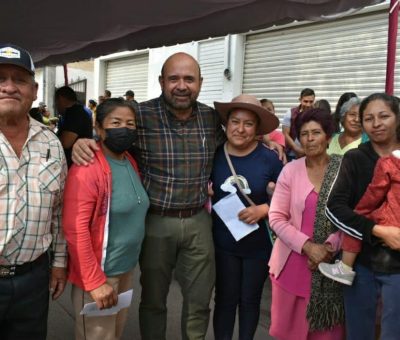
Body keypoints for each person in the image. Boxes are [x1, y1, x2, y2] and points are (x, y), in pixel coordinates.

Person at [71, 52, 284, 340]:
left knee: (199, 300)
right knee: (154, 301)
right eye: (173, 78)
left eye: (189, 79)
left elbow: (238, 139)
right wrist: (86, 141)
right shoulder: (141, 116)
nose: (181, 85)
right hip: (156, 222)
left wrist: (264, 138)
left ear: (200, 83)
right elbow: (112, 135)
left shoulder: (210, 118)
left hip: (198, 221)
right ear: (161, 81)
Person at [63, 98, 149, 340]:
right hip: (100, 274)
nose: (125, 129)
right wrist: (94, 281)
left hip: (124, 270)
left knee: (114, 334)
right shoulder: (87, 166)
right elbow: (75, 228)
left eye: (131, 124)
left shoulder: (129, 161)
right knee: (97, 336)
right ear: (99, 128)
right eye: (116, 122)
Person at [0, 43, 67, 339]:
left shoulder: (52, 144)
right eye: (0, 78)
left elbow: (60, 211)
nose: (9, 87)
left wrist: (59, 264)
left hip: (33, 280)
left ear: (35, 90)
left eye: (19, 79)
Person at [325, 93, 400, 340]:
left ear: (397, 118)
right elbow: (334, 207)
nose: (376, 123)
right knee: (359, 333)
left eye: (384, 116)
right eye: (368, 118)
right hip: (361, 266)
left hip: (398, 269)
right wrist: (378, 231)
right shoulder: (355, 158)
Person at [268, 108, 345, 340]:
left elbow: (353, 218)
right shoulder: (290, 171)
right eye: (304, 133)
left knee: (326, 334)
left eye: (316, 132)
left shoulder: (344, 169)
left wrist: (328, 248)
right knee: (288, 332)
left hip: (332, 267)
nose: (310, 139)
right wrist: (309, 247)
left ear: (328, 136)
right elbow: (276, 218)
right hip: (292, 263)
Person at [211, 94, 283, 339]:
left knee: (249, 300)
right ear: (226, 123)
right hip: (222, 244)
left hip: (258, 245)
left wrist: (264, 209)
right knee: (224, 299)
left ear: (257, 129)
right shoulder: (214, 154)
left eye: (248, 124)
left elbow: (290, 198)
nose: (240, 129)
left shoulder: (270, 158)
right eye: (235, 122)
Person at [319, 148, 400, 285]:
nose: (376, 124)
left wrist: (363, 208)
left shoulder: (389, 162)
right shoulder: (354, 157)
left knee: (358, 218)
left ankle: (345, 267)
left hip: (390, 217)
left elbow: (375, 190)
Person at [55, 86, 93, 167]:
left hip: (76, 165)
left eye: (56, 102)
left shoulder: (75, 113)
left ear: (61, 99)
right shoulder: (78, 111)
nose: (56, 106)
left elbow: (66, 142)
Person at [282, 88, 315, 161]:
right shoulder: (290, 113)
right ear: (300, 100)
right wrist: (296, 148)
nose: (308, 104)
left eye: (311, 102)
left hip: (310, 155)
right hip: (291, 154)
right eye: (305, 101)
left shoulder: (317, 114)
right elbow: (285, 133)